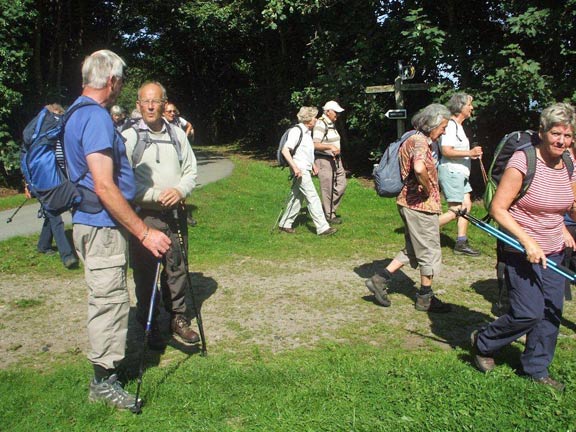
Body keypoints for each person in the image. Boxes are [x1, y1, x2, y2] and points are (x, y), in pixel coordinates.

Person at [63, 50, 171, 410]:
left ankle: (106, 373)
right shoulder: (94, 117)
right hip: (101, 225)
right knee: (109, 301)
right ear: (111, 81)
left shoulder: (76, 110)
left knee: (107, 297)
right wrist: (144, 232)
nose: (121, 88)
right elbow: (105, 186)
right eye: (122, 82)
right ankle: (103, 382)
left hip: (93, 222)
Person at [470, 102, 576, 391]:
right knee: (529, 312)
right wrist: (527, 240)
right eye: (556, 134)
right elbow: (498, 208)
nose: (562, 141)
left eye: (568, 136)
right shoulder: (523, 161)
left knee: (550, 313)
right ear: (542, 132)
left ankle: (536, 369)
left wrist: (567, 227)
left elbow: (570, 204)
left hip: (554, 248)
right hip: (519, 247)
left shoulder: (568, 162)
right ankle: (483, 342)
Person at [122, 82, 200, 348]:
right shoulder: (129, 137)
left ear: (165, 103)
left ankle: (178, 319)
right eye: (146, 101)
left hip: (175, 213)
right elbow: (123, 181)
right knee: (145, 273)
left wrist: (179, 189)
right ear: (138, 105)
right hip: (145, 216)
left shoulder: (177, 134)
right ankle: (149, 323)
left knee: (176, 268)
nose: (151, 106)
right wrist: (156, 195)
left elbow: (191, 170)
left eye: (156, 101)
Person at [364, 103, 452, 313]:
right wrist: (428, 187)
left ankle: (379, 279)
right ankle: (425, 298)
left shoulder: (412, 137)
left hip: (409, 203)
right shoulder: (420, 142)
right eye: (443, 127)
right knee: (429, 250)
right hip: (420, 205)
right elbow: (419, 168)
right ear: (433, 124)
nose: (444, 131)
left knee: (413, 249)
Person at [24, 103, 78, 269]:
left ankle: (43, 245)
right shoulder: (43, 137)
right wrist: (27, 184)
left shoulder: (41, 136)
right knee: (55, 216)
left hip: (51, 180)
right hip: (46, 183)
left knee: (50, 211)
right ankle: (67, 256)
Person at [278, 106, 337, 236]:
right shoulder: (296, 131)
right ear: (308, 119)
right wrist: (295, 167)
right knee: (313, 197)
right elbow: (285, 150)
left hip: (304, 168)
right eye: (314, 117)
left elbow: (305, 152)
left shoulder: (307, 132)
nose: (316, 120)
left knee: (297, 197)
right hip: (299, 170)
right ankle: (322, 228)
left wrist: (313, 165)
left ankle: (284, 224)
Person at [437, 93, 483, 256]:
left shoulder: (458, 126)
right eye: (469, 104)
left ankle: (461, 242)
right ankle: (423, 230)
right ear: (460, 107)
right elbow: (446, 151)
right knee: (456, 210)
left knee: (466, 205)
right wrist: (470, 153)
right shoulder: (449, 125)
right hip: (452, 171)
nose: (472, 107)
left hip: (460, 173)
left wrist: (470, 154)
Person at [313, 100, 347, 224]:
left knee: (342, 184)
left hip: (336, 159)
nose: (337, 115)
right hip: (324, 160)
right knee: (327, 188)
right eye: (336, 112)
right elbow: (315, 144)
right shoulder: (321, 124)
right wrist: (330, 147)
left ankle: (327, 209)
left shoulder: (331, 123)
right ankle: (329, 215)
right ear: (327, 112)